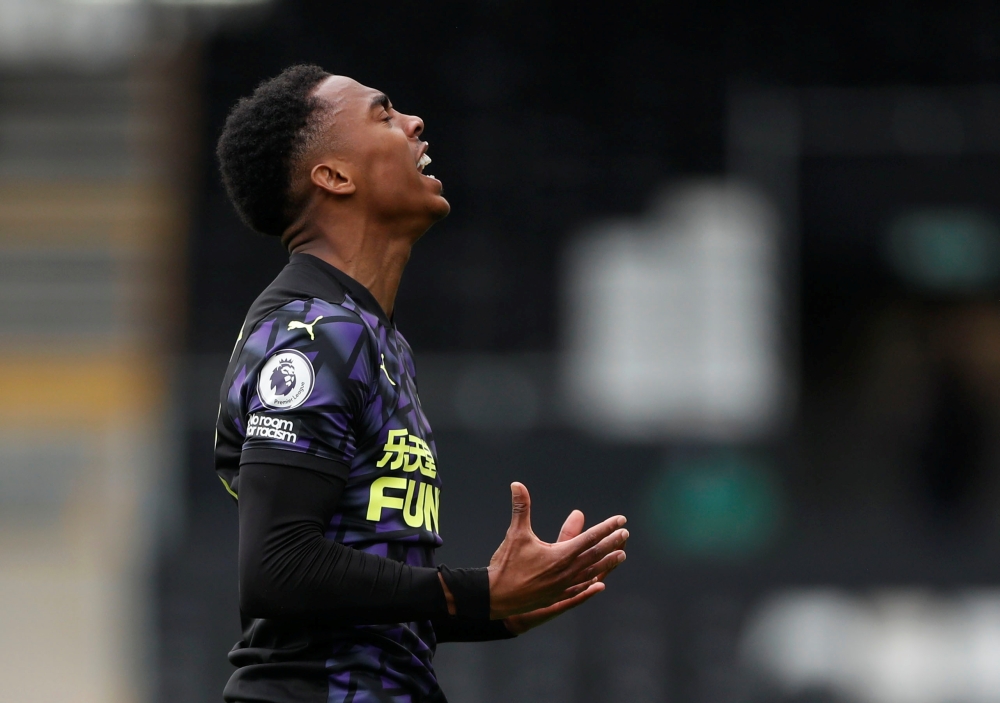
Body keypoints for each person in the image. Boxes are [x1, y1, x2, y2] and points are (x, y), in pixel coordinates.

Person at [213, 64, 629, 703]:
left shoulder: (374, 339)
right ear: (334, 175)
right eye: (383, 114)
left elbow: (349, 595)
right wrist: (475, 592)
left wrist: (495, 611)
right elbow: (279, 569)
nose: (414, 123)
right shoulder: (312, 333)